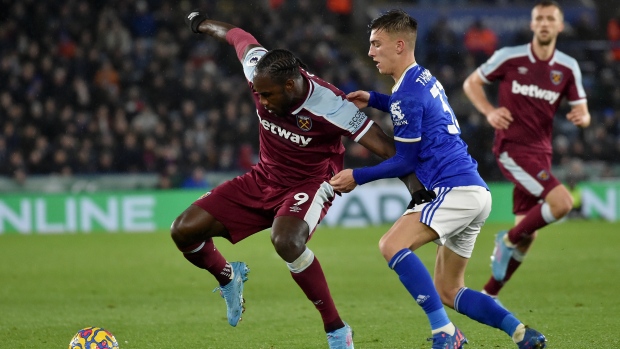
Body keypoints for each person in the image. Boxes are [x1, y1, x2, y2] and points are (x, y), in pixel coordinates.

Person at [172, 9, 430, 349]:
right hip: (262, 177)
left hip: (310, 184)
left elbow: (383, 145)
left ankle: (337, 330)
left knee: (287, 242)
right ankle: (228, 277)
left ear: (291, 86)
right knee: (184, 231)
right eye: (258, 94)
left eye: (267, 96)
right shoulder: (258, 70)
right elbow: (237, 35)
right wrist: (201, 23)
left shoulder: (330, 104)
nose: (260, 101)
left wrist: (416, 188)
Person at [330, 9, 547, 349]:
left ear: (399, 45)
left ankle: (446, 333)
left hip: (452, 189)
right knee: (449, 289)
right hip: (475, 191)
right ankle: (522, 333)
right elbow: (412, 109)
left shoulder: (407, 95)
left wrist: (357, 176)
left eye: (376, 44)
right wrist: (374, 99)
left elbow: (405, 160)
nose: (370, 52)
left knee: (391, 246)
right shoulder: (422, 78)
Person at [463, 0, 590, 305]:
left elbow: (583, 112)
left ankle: (489, 294)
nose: (545, 23)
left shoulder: (567, 67)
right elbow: (472, 83)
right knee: (561, 202)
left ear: (560, 26)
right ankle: (505, 239)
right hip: (512, 149)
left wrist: (581, 118)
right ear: (532, 25)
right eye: (540, 18)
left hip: (541, 152)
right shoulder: (510, 57)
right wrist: (489, 112)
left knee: (529, 234)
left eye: (551, 19)